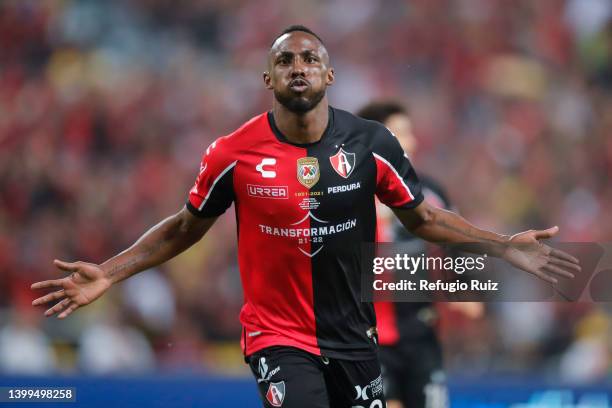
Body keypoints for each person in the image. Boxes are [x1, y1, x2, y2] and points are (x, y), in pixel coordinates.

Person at [32, 25, 580, 408]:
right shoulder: (233, 154)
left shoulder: (371, 144)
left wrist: (503, 245)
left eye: (309, 58)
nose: (298, 67)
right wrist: (111, 270)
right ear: (268, 78)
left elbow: (424, 219)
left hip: (353, 338)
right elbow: (183, 226)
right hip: (278, 336)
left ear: (330, 75)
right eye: (285, 60)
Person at [358, 101, 477, 408]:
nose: (410, 141)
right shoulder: (352, 191)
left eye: (409, 133)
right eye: (400, 133)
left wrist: (463, 286)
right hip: (370, 340)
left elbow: (455, 242)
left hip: (422, 334)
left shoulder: (431, 190)